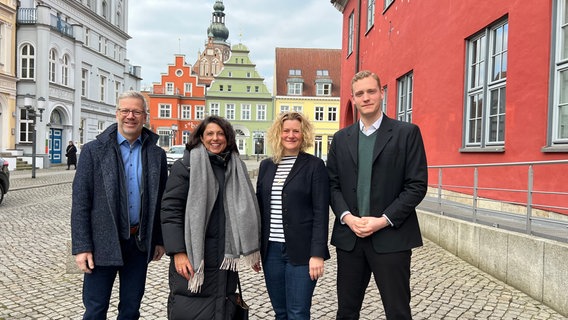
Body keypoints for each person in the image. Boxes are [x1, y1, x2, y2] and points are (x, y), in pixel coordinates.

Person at [327, 70, 428, 320]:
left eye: (371, 91)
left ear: (382, 92)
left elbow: (416, 185)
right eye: (359, 93)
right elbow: (332, 185)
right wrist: (348, 218)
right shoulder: (340, 139)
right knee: (347, 312)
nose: (366, 97)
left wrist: (382, 220)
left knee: (397, 312)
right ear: (353, 98)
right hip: (350, 238)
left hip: (391, 237)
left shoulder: (407, 133)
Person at [71, 90, 168, 319]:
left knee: (131, 309)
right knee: (95, 310)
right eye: (125, 110)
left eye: (136, 111)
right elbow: (81, 201)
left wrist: (160, 240)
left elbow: (162, 200)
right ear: (117, 114)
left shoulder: (156, 154)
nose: (130, 116)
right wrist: (82, 246)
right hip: (101, 244)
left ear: (145, 116)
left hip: (138, 243)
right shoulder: (94, 151)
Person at [161, 115, 261, 320]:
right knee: (189, 307)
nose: (215, 138)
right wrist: (178, 252)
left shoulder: (236, 168)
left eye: (220, 134)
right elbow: (171, 211)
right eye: (210, 134)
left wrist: (251, 247)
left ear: (228, 138)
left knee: (221, 308)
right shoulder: (186, 166)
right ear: (200, 137)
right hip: (193, 255)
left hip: (225, 258)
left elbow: (248, 210)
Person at [255, 111, 330, 319]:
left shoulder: (315, 166)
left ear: (303, 134)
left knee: (298, 312)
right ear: (278, 134)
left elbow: (321, 212)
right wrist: (255, 248)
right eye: (286, 130)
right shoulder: (266, 166)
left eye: (296, 131)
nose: (290, 135)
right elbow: (260, 210)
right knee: (280, 312)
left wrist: (318, 253)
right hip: (271, 252)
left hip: (302, 252)